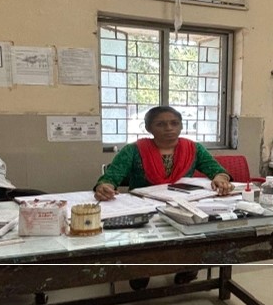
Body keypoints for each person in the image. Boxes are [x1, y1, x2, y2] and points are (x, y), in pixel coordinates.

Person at [95, 106, 234, 289]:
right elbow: (111, 176)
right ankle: (141, 271)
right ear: (148, 128)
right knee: (143, 242)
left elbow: (216, 170)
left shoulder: (193, 149)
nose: (169, 128)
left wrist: (220, 178)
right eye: (160, 124)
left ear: (181, 126)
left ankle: (188, 267)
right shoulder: (133, 150)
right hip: (143, 210)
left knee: (195, 233)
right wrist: (105, 186)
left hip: (182, 207)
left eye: (174, 123)